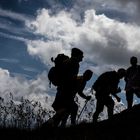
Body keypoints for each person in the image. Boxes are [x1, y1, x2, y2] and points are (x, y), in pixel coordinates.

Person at [48, 48, 84, 127]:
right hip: (66, 90)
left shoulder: (66, 62)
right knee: (71, 108)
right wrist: (79, 78)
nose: (82, 57)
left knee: (64, 110)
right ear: (77, 55)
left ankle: (52, 127)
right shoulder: (74, 63)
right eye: (81, 56)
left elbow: (66, 76)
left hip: (61, 89)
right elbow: (70, 78)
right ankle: (50, 123)